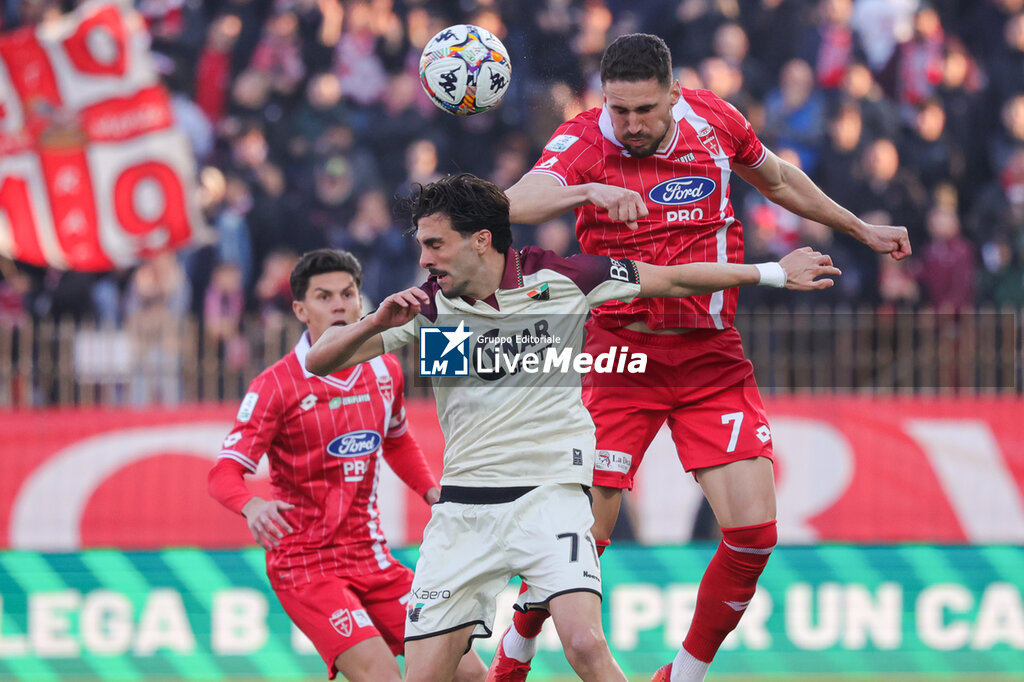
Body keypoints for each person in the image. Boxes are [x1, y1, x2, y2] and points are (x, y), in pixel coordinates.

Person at [303, 174, 840, 682]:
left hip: (550, 497)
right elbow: (319, 363)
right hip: (463, 513)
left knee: (585, 644)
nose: (424, 258)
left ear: (481, 240)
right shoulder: (428, 309)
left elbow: (673, 278)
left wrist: (771, 272)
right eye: (422, 245)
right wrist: (374, 323)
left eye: (435, 244)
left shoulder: (563, 279)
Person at [492, 33, 911, 682]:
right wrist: (584, 193)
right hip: (620, 356)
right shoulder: (584, 140)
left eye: (644, 110)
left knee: (753, 533)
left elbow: (776, 180)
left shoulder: (715, 122)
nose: (629, 125)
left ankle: (681, 676)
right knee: (582, 543)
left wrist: (858, 227)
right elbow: (511, 204)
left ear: (674, 94)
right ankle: (513, 654)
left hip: (709, 356)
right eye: (618, 109)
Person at [207, 248, 487, 682]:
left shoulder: (384, 369)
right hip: (306, 565)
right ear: (300, 309)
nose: (339, 304)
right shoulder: (275, 386)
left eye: (347, 293)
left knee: (468, 671)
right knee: (382, 677)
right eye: (324, 296)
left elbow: (396, 440)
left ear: (361, 300)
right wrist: (253, 506)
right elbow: (223, 472)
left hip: (371, 556)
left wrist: (431, 491)